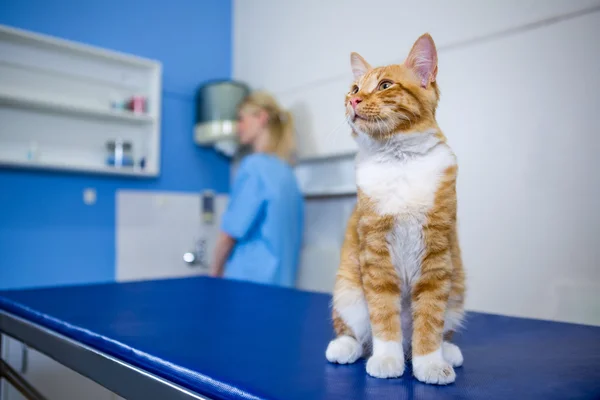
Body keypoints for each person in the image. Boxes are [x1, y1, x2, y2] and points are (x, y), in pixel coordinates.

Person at [210, 91, 304, 288]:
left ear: (261, 117)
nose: (238, 127)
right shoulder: (287, 173)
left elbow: (229, 235)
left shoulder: (254, 167)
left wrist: (214, 274)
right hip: (282, 288)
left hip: (249, 286)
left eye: (241, 119)